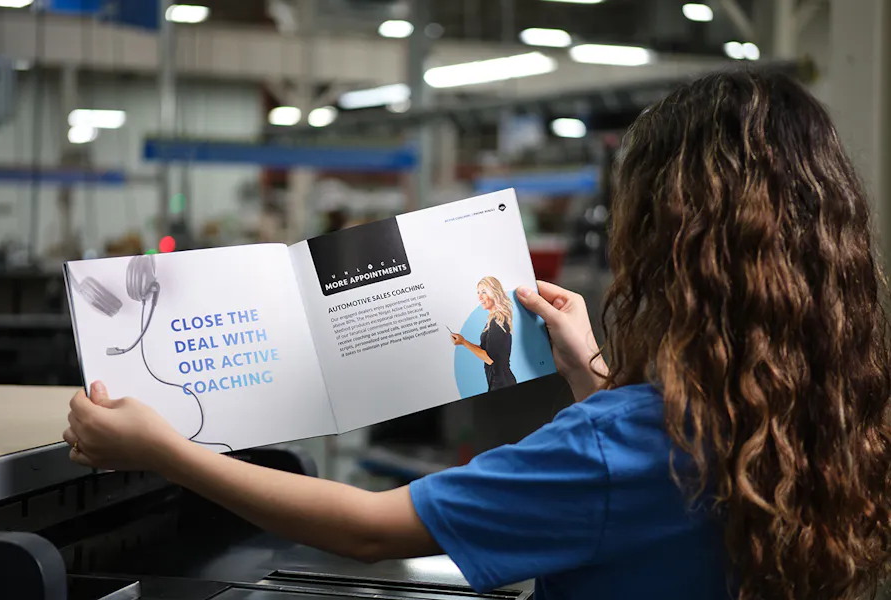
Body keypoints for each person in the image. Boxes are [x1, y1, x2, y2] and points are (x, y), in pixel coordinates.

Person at [63, 68, 891, 600]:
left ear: (668, 241)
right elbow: (665, 487)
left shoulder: (618, 444)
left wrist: (164, 448)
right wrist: (591, 373)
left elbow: (369, 531)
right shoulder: (830, 411)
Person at [450, 276, 518, 392]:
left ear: (494, 293)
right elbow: (486, 351)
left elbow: (490, 358)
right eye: (478, 293)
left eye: (484, 292)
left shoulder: (497, 322)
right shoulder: (493, 320)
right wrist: (462, 342)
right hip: (498, 381)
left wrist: (464, 342)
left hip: (501, 383)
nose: (479, 297)